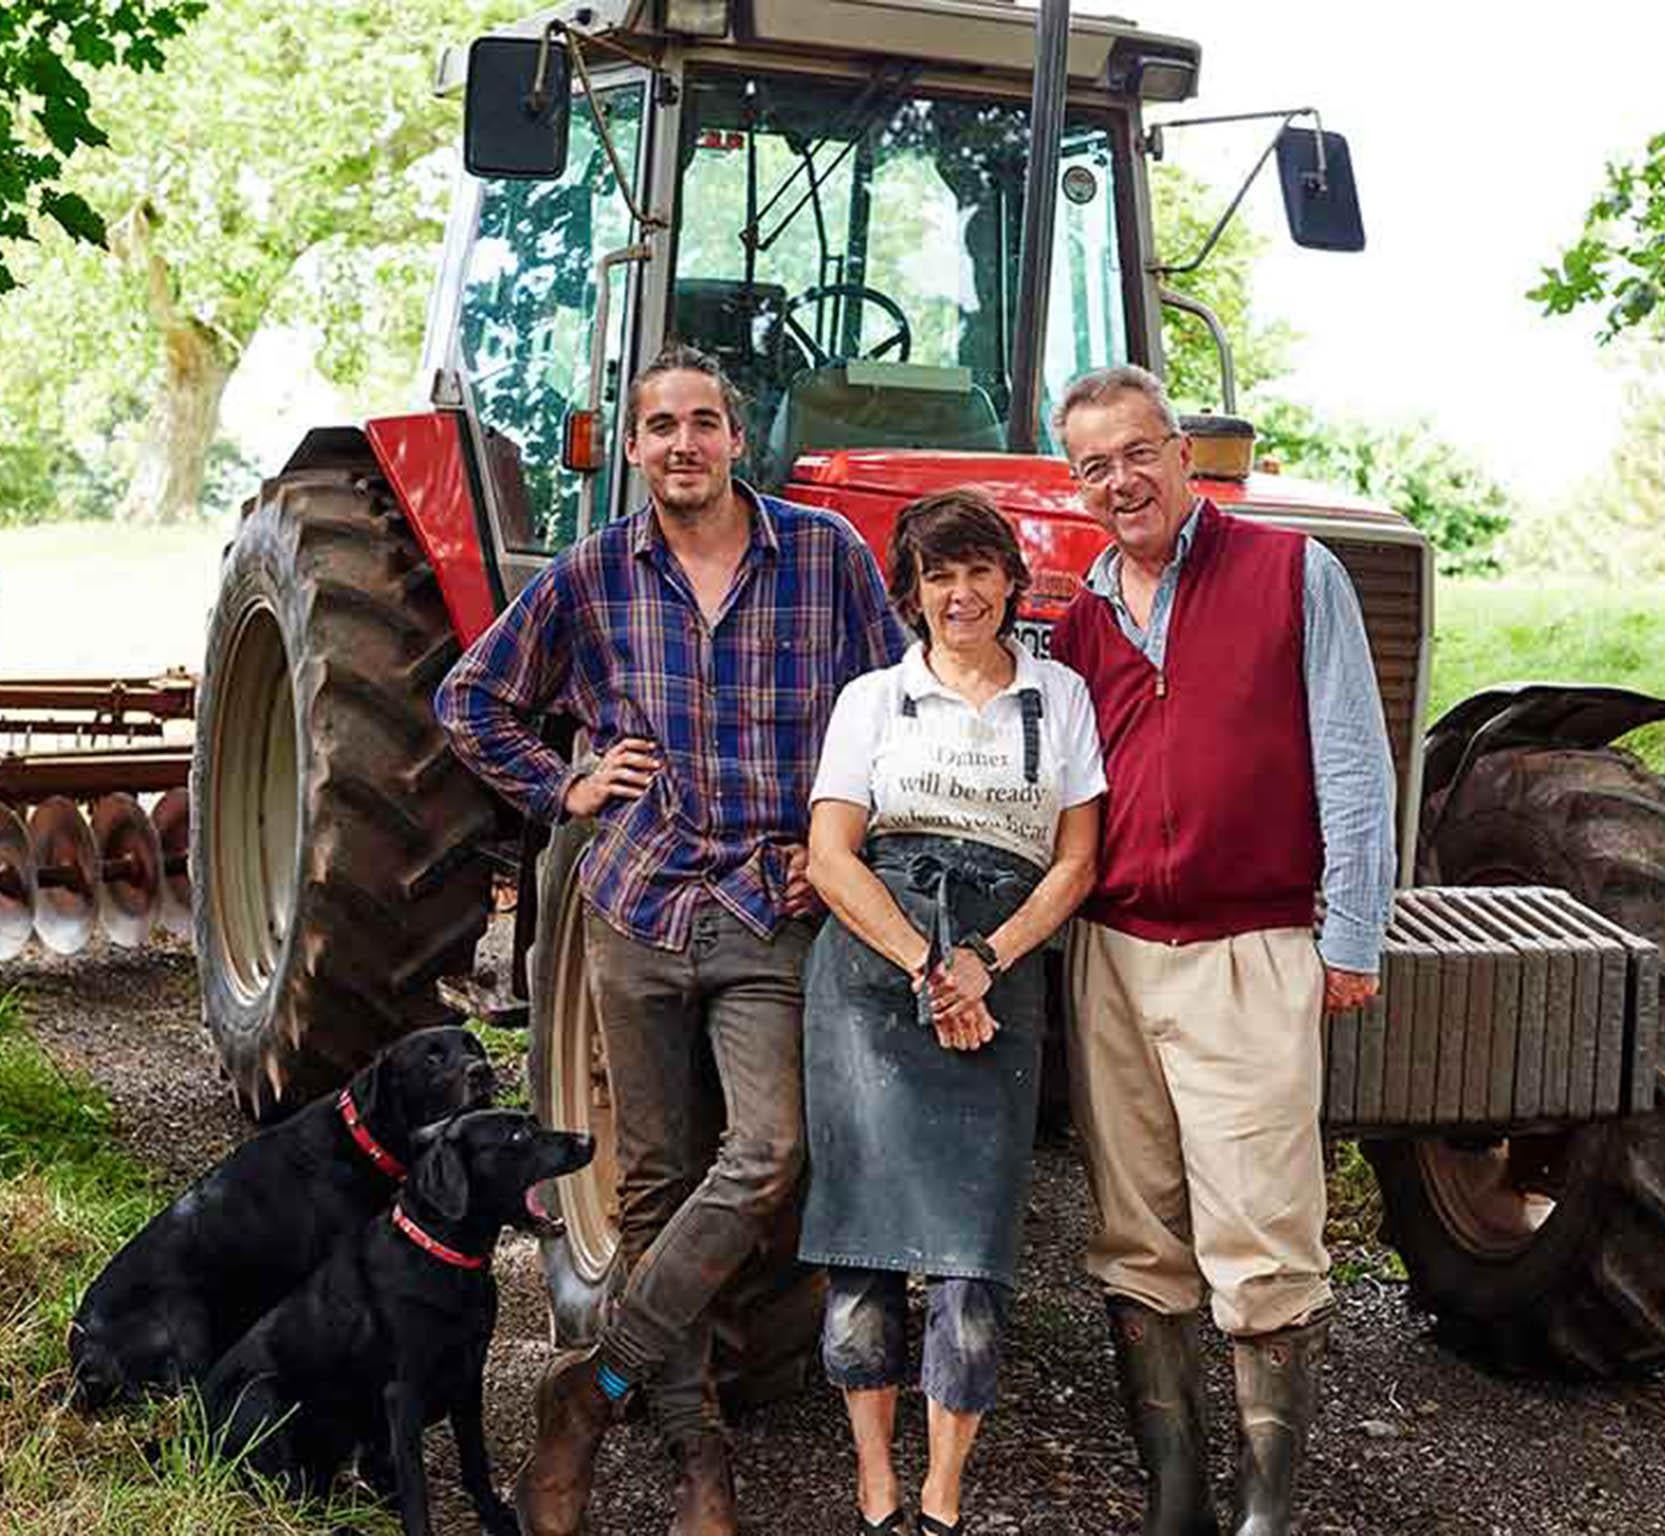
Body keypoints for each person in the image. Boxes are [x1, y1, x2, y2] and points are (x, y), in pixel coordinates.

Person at [435, 343, 908, 1536]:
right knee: (648, 1181)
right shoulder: (593, 573)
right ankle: (701, 1460)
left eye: (704, 421)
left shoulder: (825, 557)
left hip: (769, 902)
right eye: (660, 426)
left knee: (770, 1150)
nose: (683, 443)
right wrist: (565, 785)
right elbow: (468, 699)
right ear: (632, 445)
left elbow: (891, 712)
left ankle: (589, 1394)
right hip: (637, 903)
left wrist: (843, 835)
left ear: (736, 440)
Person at [1049, 365, 1396, 1536]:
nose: (1119, 481)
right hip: (1109, 949)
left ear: (1181, 454)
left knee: (1260, 1230)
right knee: (1133, 1233)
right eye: (1093, 466)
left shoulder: (1293, 573)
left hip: (1247, 944)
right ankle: (1174, 1496)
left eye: (1137, 452)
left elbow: (1351, 759)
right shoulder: (1079, 621)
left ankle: (1263, 1513)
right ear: (1076, 485)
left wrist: (1351, 930)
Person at [799, 489, 1105, 1536]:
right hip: (873, 977)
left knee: (972, 1257)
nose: (959, 593)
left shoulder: (1060, 698)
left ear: (1010, 582)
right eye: (937, 575)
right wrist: (929, 965)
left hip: (1000, 965)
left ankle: (941, 1501)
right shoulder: (871, 701)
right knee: (866, 1247)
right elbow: (830, 858)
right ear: (911, 592)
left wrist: (984, 959)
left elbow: (1075, 862)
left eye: (977, 570)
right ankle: (876, 1486)